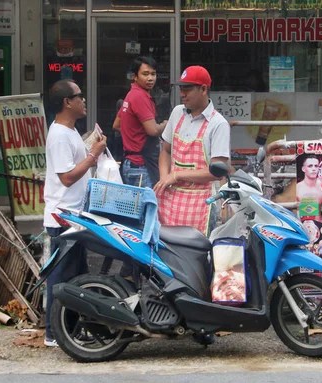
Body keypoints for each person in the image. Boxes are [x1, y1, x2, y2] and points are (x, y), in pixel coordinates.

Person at [43, 79, 107, 347]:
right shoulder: (58, 135)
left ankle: (69, 328)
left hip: (75, 216)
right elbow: (67, 177)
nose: (84, 100)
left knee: (77, 277)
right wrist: (93, 155)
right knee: (60, 278)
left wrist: (91, 147)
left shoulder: (69, 131)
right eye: (79, 96)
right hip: (62, 218)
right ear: (67, 102)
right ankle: (53, 333)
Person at [155, 66, 230, 235]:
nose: (182, 94)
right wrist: (164, 178)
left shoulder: (218, 124)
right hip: (170, 201)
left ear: (203, 89)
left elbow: (217, 171)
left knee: (197, 257)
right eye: (181, 89)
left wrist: (177, 175)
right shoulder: (177, 113)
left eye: (187, 90)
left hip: (201, 203)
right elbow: (166, 151)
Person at [118, 56, 168, 188]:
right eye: (145, 74)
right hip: (141, 164)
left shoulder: (131, 95)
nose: (150, 78)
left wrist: (133, 136)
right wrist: (166, 124)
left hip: (130, 163)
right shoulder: (140, 96)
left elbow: (117, 125)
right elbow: (153, 130)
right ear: (135, 76)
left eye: (153, 74)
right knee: (148, 207)